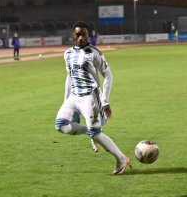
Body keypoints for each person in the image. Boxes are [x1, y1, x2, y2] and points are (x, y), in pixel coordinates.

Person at [54, 21, 131, 175]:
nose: (81, 37)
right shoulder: (67, 54)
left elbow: (108, 75)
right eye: (78, 34)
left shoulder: (94, 52)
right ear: (73, 35)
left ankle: (122, 159)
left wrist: (105, 100)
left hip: (90, 96)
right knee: (61, 125)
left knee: (96, 133)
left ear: (88, 35)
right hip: (74, 96)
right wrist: (66, 100)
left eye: (84, 34)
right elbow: (69, 77)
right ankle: (89, 132)